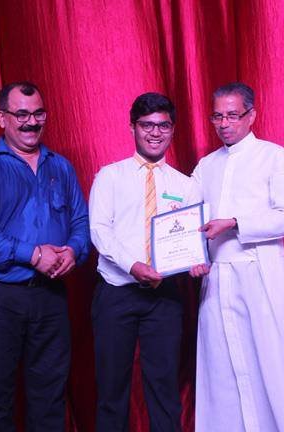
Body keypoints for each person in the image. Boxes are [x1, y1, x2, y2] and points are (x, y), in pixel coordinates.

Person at [189, 82, 284, 432]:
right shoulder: (206, 166)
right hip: (217, 278)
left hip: (259, 273)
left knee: (270, 362)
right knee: (222, 367)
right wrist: (192, 255)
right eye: (217, 116)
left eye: (233, 115)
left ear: (252, 116)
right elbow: (189, 218)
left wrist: (235, 223)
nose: (224, 124)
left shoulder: (273, 156)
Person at [0, 81, 90, 431]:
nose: (31, 122)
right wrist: (32, 255)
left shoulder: (61, 167)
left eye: (38, 114)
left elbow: (80, 222)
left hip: (50, 296)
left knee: (50, 398)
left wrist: (73, 251)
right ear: (2, 118)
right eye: (21, 114)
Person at [89, 93, 199, 431]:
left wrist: (196, 260)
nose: (155, 133)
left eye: (163, 125)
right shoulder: (110, 176)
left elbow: (190, 237)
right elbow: (100, 231)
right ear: (132, 128)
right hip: (116, 292)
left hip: (164, 297)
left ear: (173, 129)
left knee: (164, 389)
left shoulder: (185, 185)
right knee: (112, 390)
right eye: (147, 125)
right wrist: (133, 266)